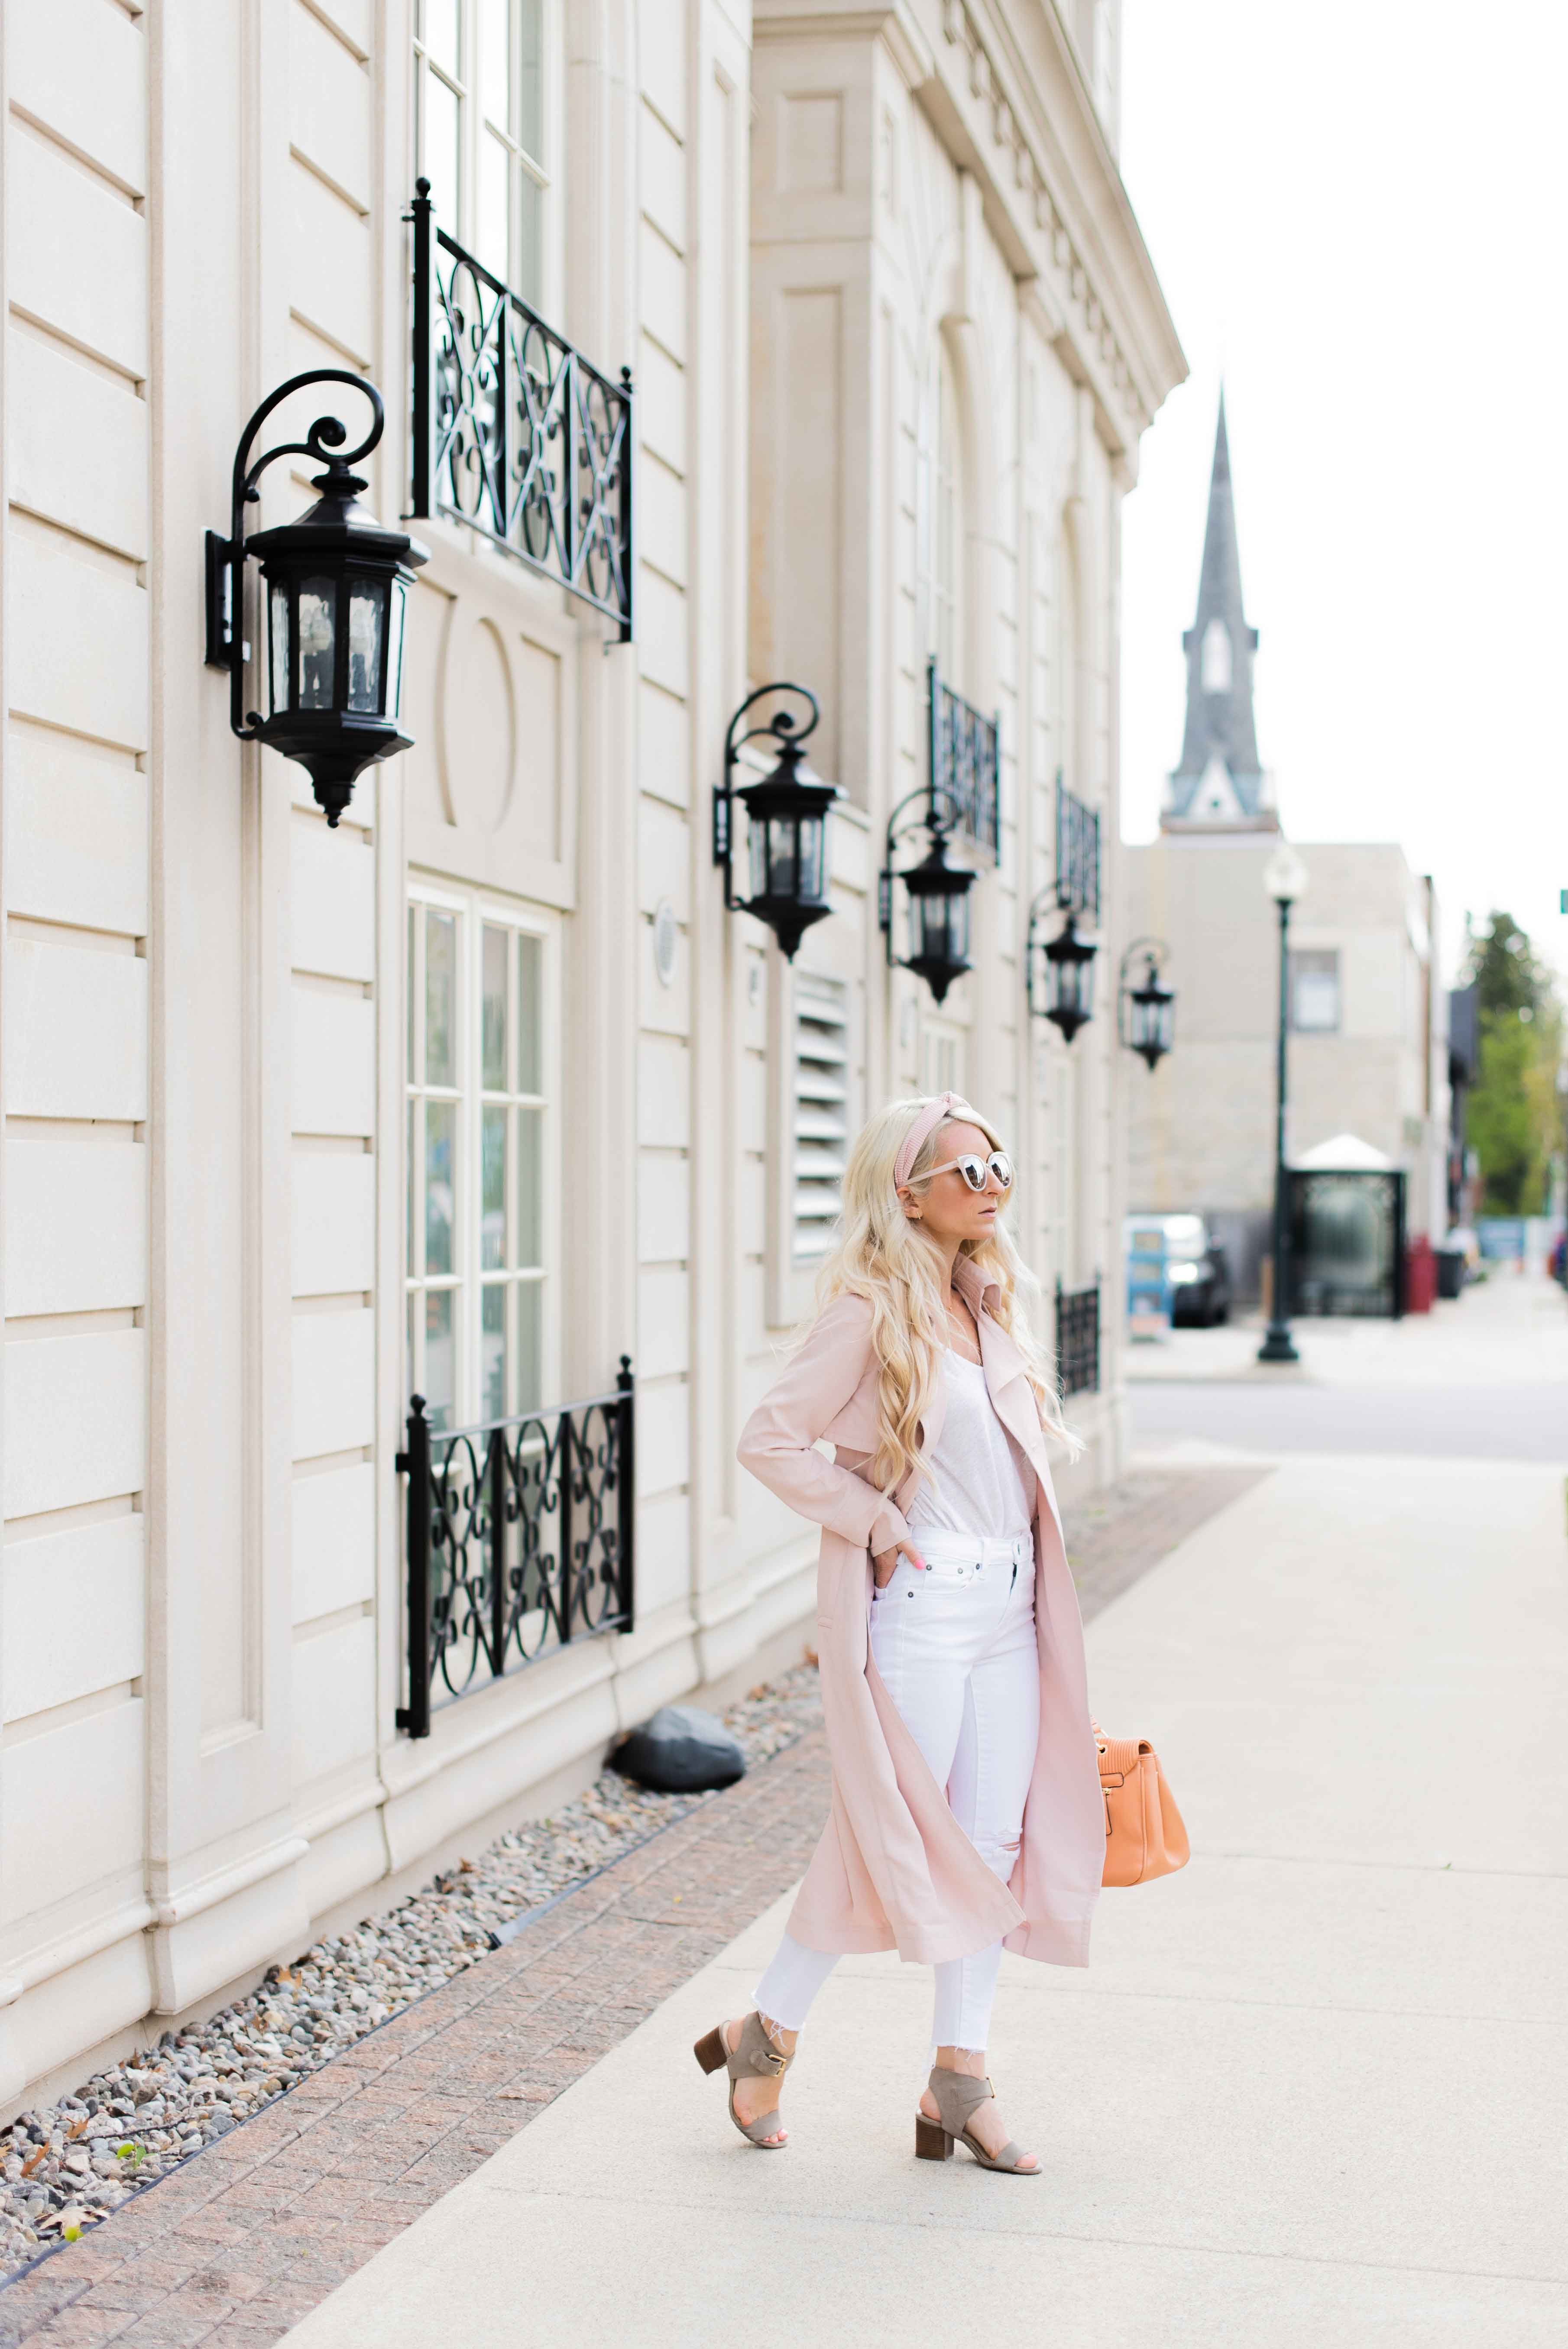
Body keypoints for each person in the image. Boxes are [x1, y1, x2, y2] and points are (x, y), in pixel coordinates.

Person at [692, 1091, 1105, 2172]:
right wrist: (872, 1518)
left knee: (994, 1842)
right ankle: (767, 2033)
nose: (993, 1183)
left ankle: (958, 2078)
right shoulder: (870, 1310)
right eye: (969, 1170)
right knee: (886, 1831)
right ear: (907, 1191)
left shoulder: (986, 1301)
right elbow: (770, 1440)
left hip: (1008, 1608)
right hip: (923, 1609)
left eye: (999, 1163)